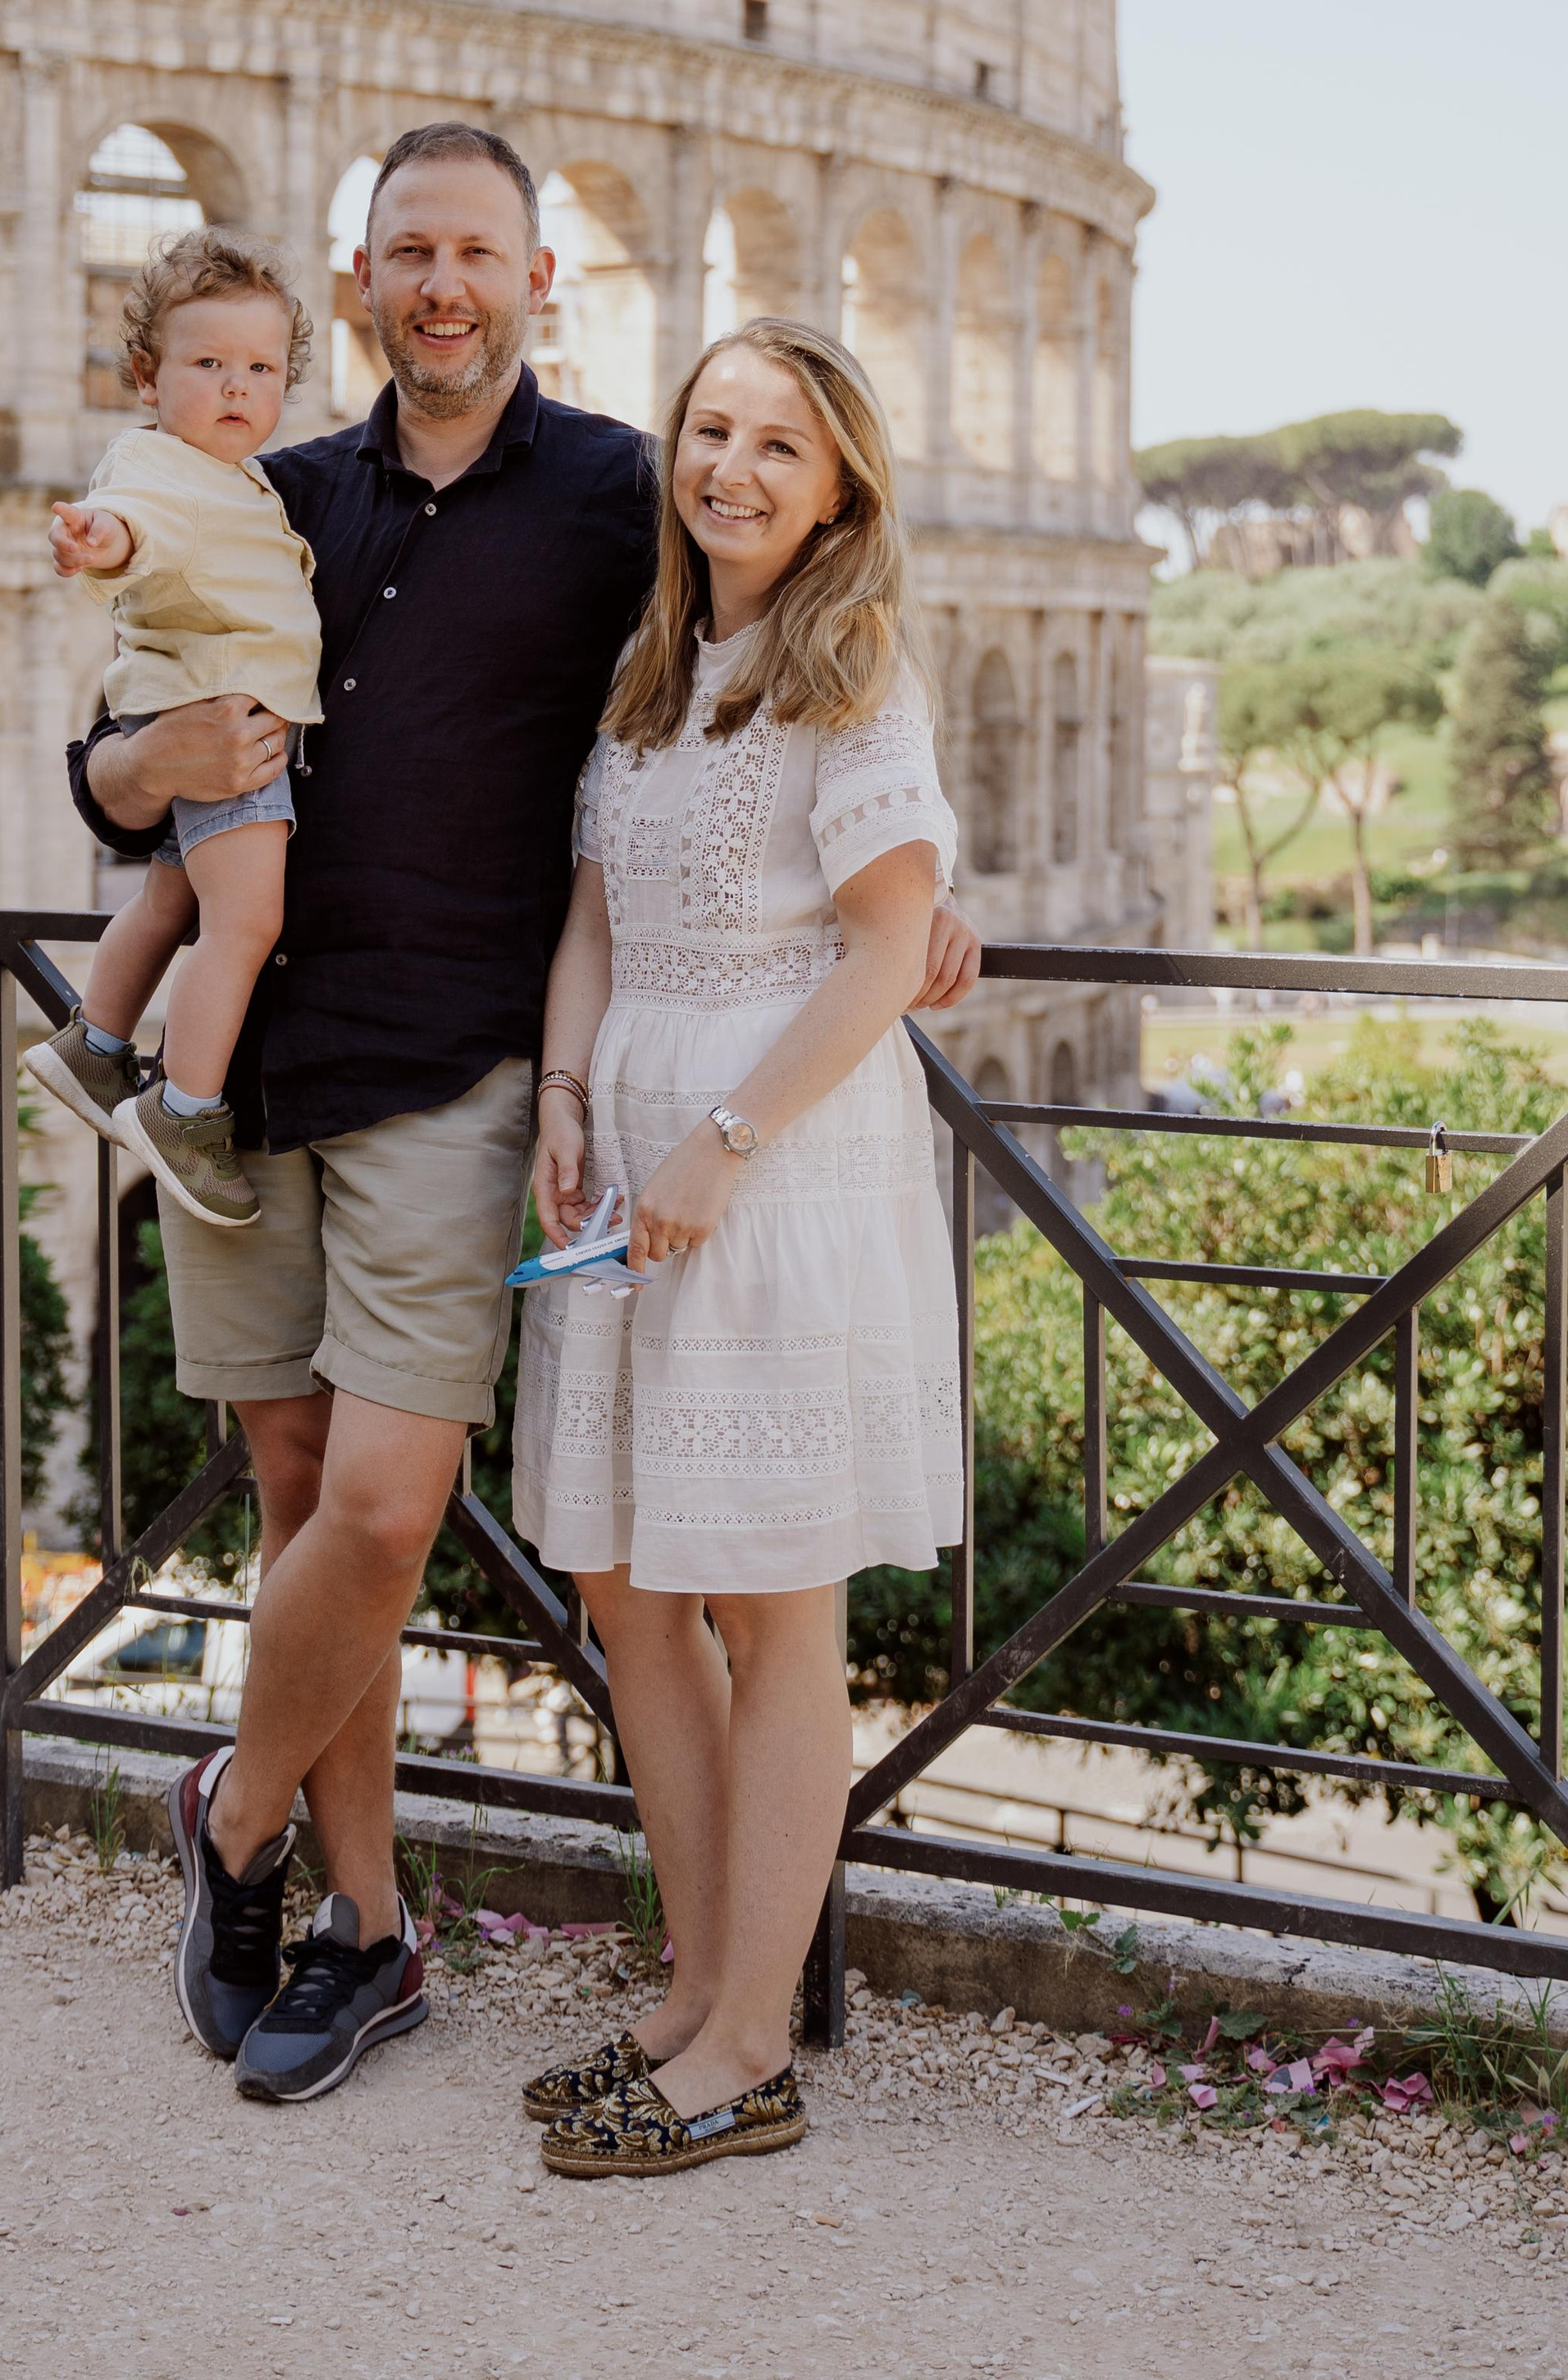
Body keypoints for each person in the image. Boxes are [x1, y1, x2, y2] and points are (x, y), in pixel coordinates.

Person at [65, 126, 980, 2109]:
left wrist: (905, 899)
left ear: (536, 276)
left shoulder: (612, 501)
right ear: (360, 276)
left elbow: (803, 637)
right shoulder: (273, 490)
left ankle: (232, 1815)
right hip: (276, 1065)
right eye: (407, 251)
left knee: (388, 1511)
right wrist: (153, 750)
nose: (442, 282)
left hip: (469, 1079)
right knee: (310, 1511)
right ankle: (365, 1925)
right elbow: (111, 762)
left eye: (476, 249)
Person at [513, 316, 968, 2180]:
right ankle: (697, 1983)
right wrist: (562, 1089)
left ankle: (744, 2042)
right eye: (710, 429)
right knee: (627, 1585)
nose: (734, 467)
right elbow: (594, 923)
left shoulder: (853, 669)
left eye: (780, 443)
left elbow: (883, 946)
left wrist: (718, 1137)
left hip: (770, 1167)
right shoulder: (655, 672)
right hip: (624, 1157)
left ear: (837, 479)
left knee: (774, 1607)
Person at [27, 230, 322, 1231]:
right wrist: (93, 539)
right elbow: (130, 527)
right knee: (245, 924)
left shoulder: (229, 473)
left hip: (186, 704)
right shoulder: (164, 471)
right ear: (148, 377)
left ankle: (93, 1043)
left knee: (167, 900)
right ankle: (186, 1108)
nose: (238, 387)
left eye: (261, 369)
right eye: (208, 365)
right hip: (223, 721)